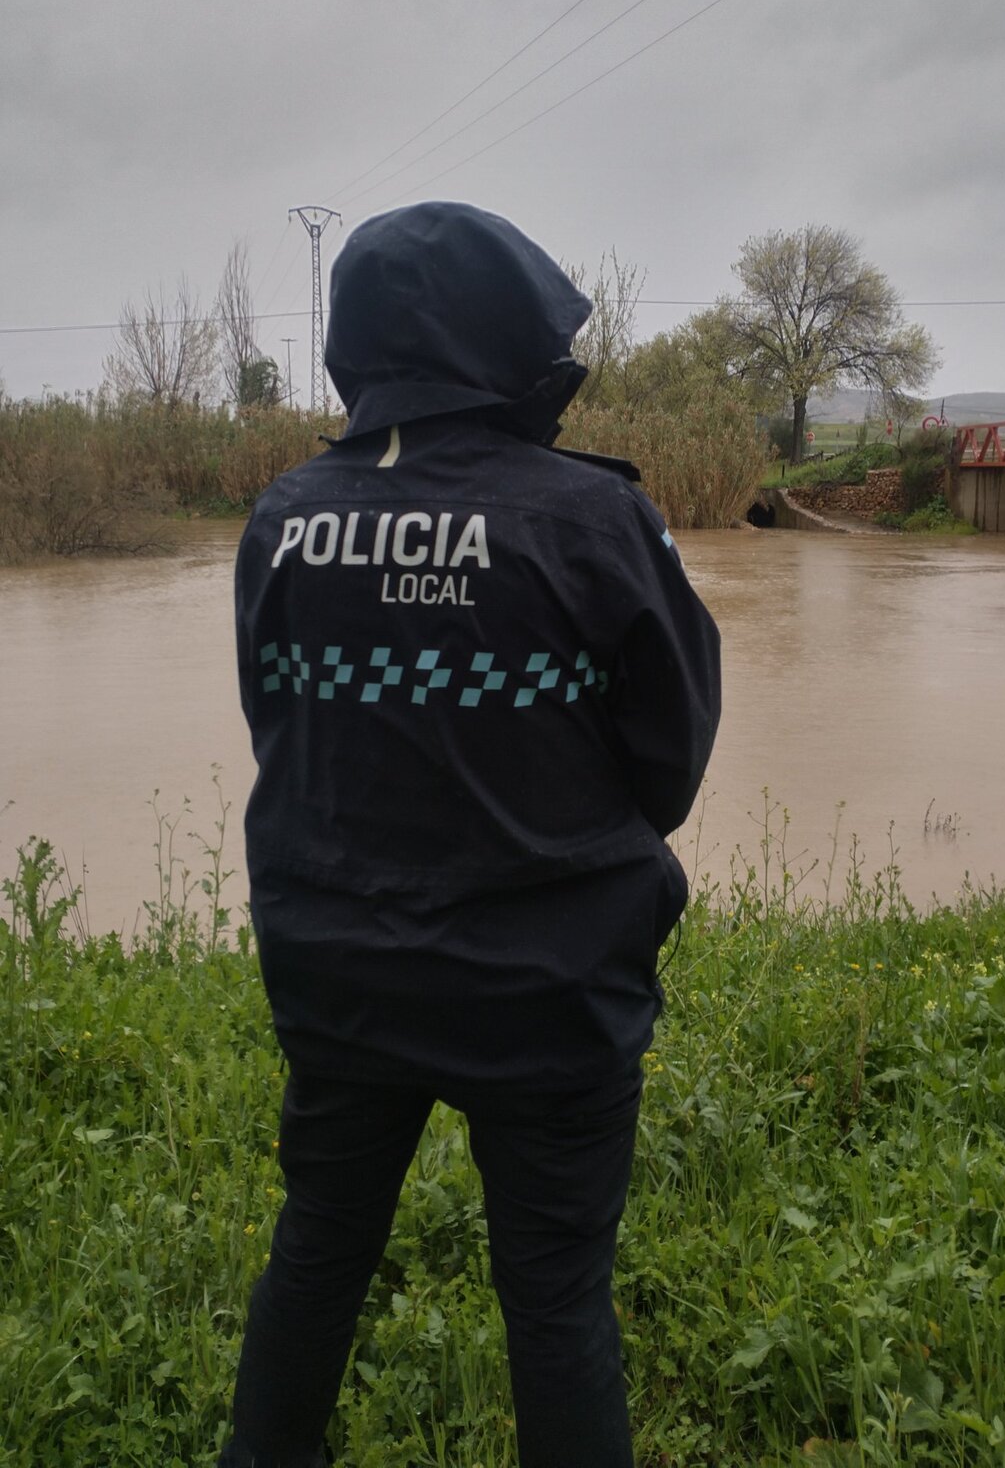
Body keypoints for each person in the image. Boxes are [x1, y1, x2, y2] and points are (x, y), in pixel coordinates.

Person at [221, 201, 721, 1468]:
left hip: (339, 975)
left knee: (319, 1249)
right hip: (549, 993)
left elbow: (279, 721)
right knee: (555, 1295)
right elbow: (672, 760)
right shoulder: (595, 518)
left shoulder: (284, 516)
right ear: (513, 338)